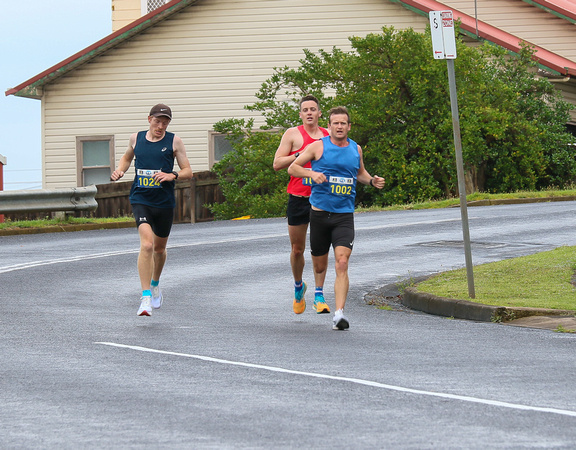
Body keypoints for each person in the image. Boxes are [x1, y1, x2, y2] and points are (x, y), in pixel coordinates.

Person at [288, 106, 385, 330]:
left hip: (344, 215)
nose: (339, 127)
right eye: (335, 123)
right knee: (320, 267)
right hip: (320, 214)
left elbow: (359, 172)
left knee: (342, 262)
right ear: (329, 126)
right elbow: (293, 168)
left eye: (343, 123)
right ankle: (314, 292)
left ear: (349, 126)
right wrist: (311, 173)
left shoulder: (355, 149)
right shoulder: (318, 146)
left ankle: (339, 314)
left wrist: (371, 181)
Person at [111, 104, 193, 316]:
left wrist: (171, 175)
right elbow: (127, 157)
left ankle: (155, 282)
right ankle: (145, 296)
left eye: (165, 122)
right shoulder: (136, 138)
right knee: (146, 244)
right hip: (141, 198)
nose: (161, 126)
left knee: (159, 249)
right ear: (149, 119)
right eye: (158, 121)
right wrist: (120, 170)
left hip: (164, 202)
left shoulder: (174, 141)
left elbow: (188, 172)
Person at [273, 95, 331, 315]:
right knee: (298, 249)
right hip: (298, 197)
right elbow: (277, 163)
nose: (309, 113)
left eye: (313, 109)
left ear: (319, 113)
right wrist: (300, 154)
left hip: (323, 196)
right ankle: (299, 286)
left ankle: (319, 294)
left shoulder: (328, 135)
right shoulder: (293, 134)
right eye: (305, 109)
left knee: (320, 248)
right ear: (300, 114)